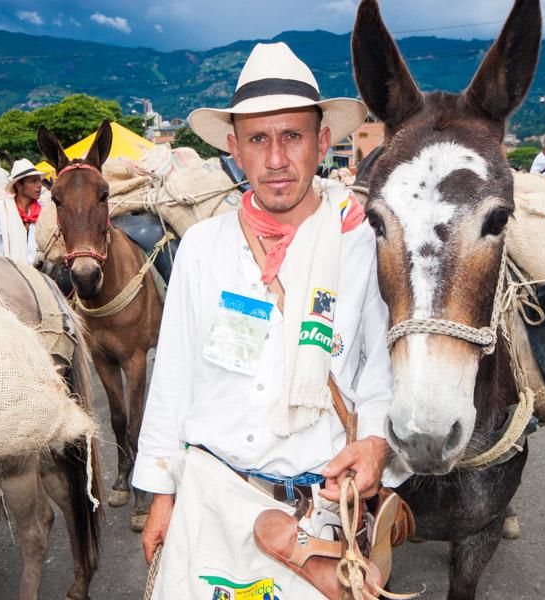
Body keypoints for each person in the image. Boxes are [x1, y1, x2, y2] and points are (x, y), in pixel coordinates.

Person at [133, 42, 410, 598]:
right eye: (259, 139)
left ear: (322, 141)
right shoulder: (202, 247)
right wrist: (162, 496)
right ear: (235, 148)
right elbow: (174, 378)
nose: (276, 159)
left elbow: (381, 373)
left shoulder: (363, 247)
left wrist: (376, 445)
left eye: (292, 136)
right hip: (208, 508)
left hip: (313, 527)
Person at [0, 158, 43, 265]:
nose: (39, 185)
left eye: (39, 180)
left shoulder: (43, 212)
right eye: (33, 181)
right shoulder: (2, 210)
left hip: (37, 274)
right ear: (19, 185)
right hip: (8, 271)